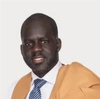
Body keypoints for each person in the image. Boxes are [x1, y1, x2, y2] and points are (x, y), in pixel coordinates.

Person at [7, 13, 100, 99]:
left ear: (58, 44)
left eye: (44, 41)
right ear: (21, 50)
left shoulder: (83, 85)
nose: (36, 49)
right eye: (28, 44)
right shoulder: (14, 89)